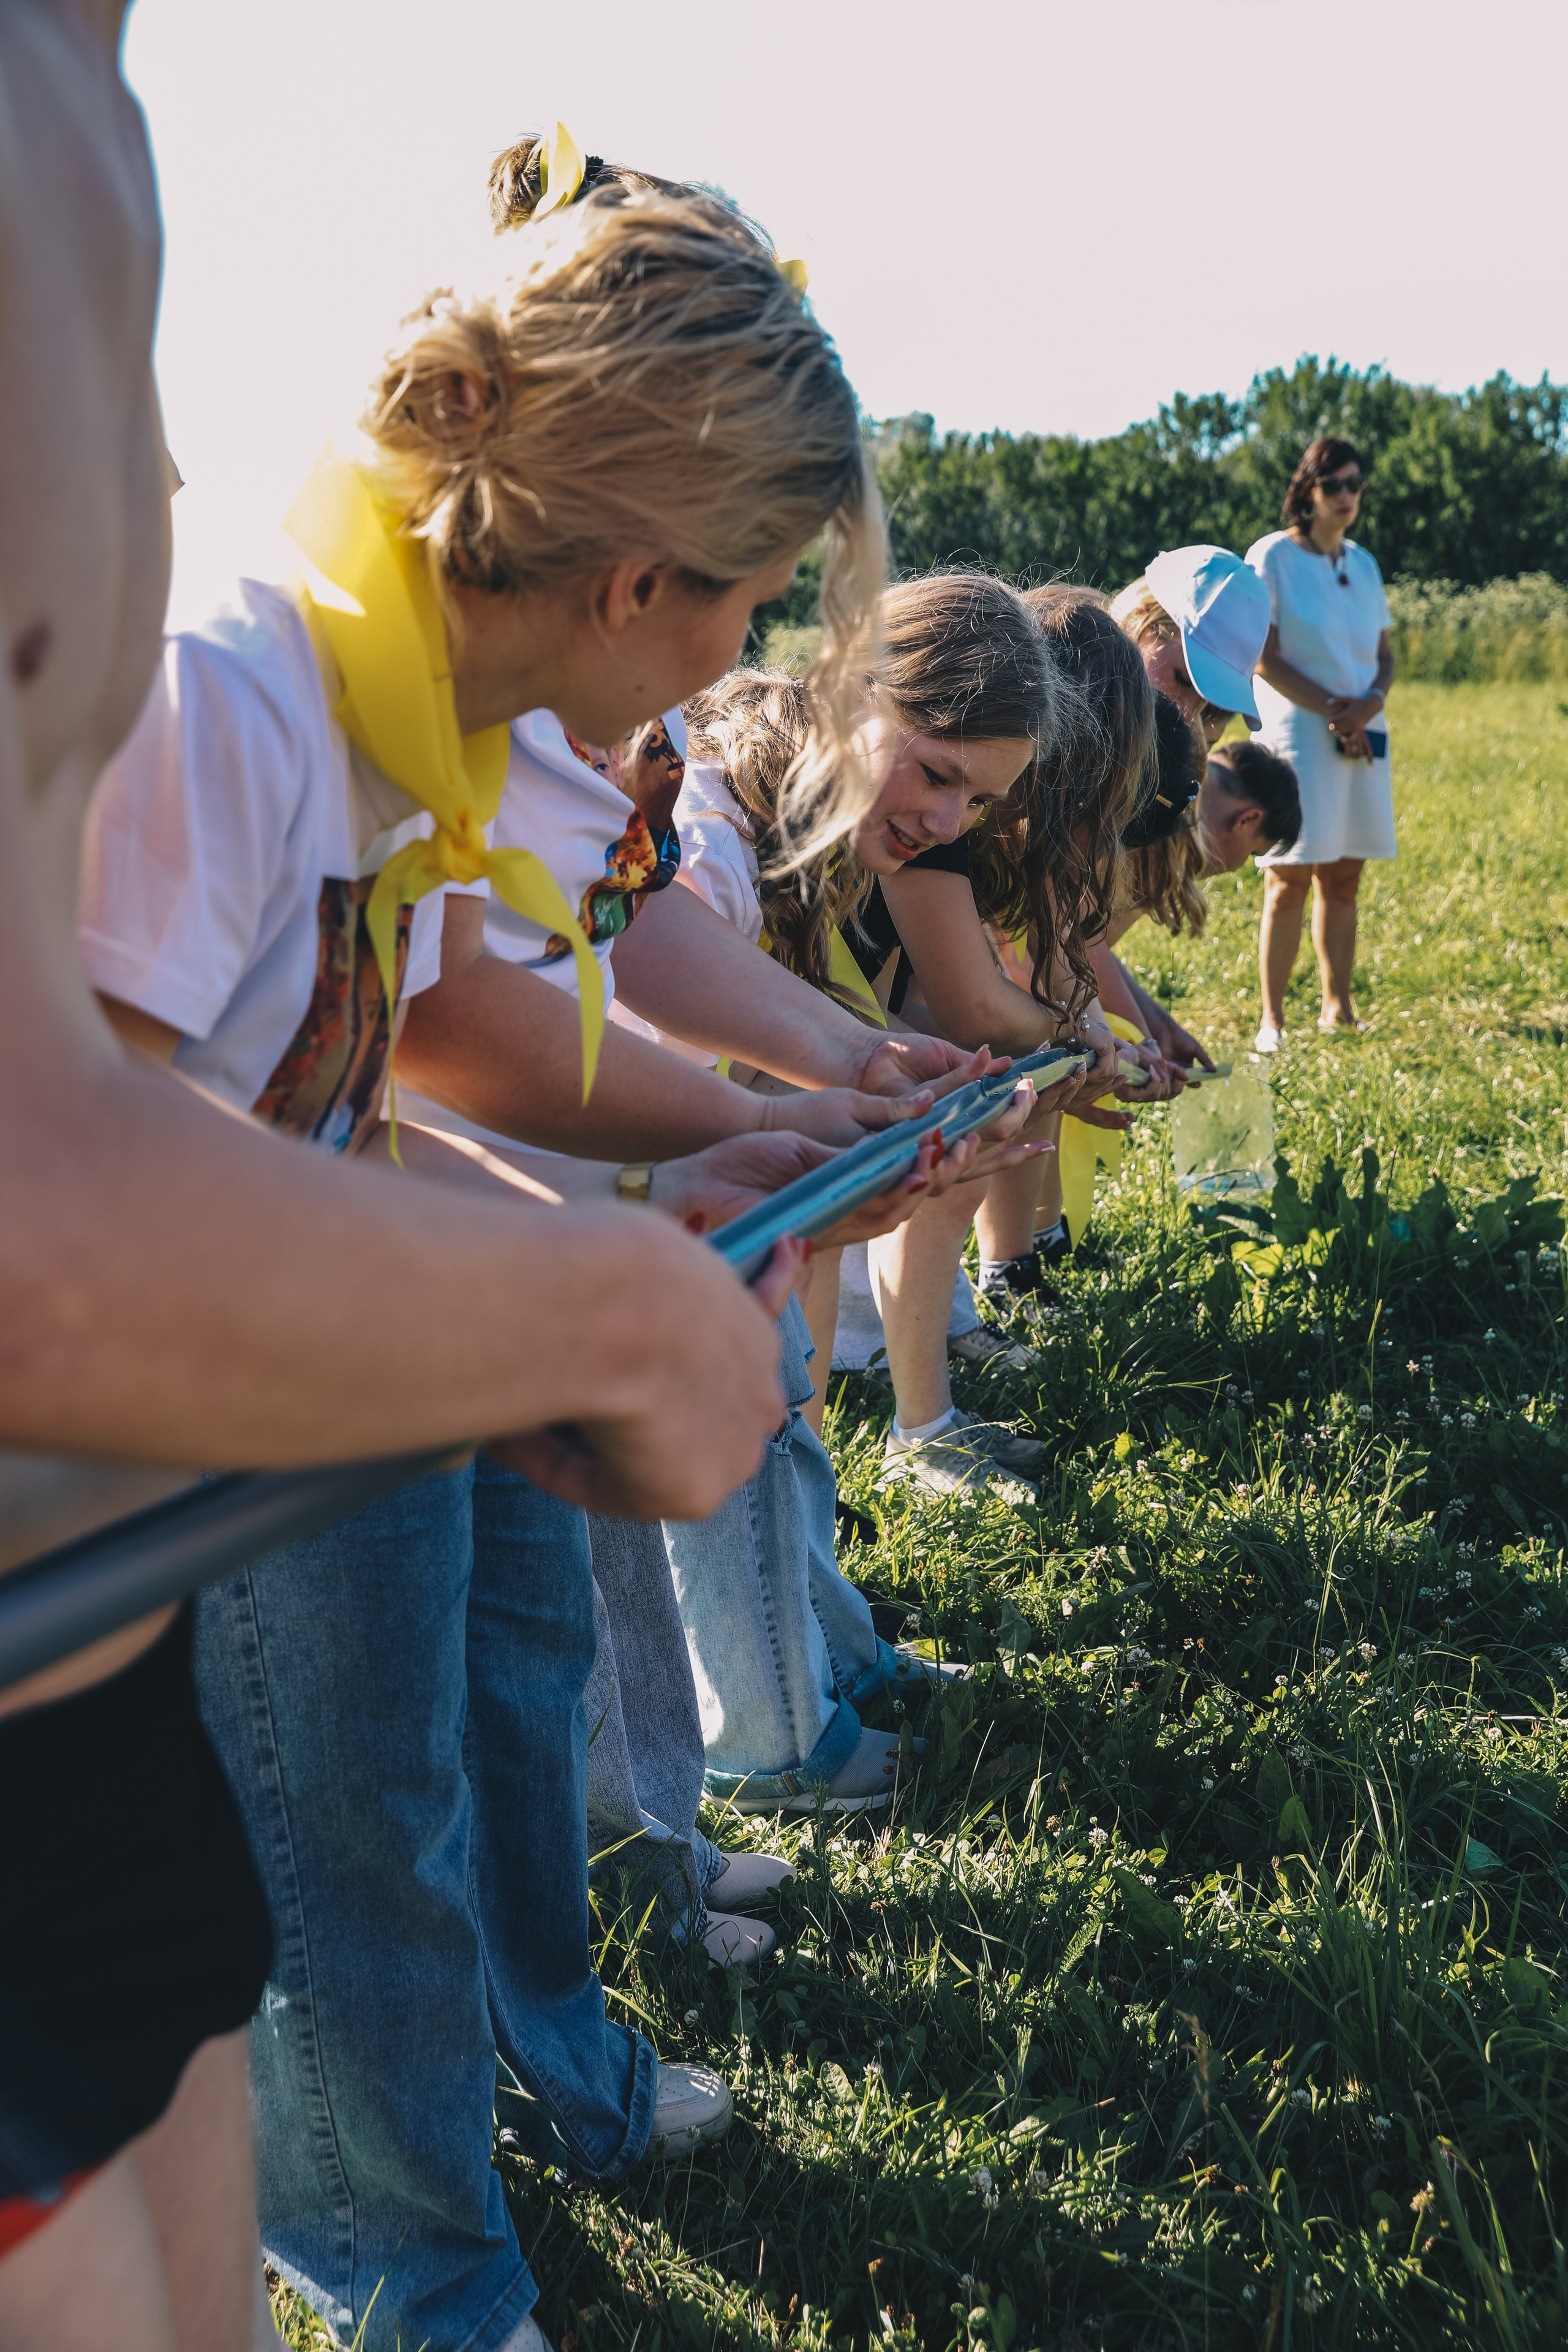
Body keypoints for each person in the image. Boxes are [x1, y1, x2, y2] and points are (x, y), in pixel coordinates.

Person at [0, 28, 794, 2352]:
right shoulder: (247, 698)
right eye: (745, 589)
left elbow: (322, 1125)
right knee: (362, 1842)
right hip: (76, 1626)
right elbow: (87, 1224)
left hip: (96, 1695)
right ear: (641, 576)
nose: (747, 650)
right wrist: (602, 1314)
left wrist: (578, 1244)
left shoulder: (388, 738)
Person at [1246, 439, 1396, 1050]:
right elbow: (1263, 656)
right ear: (1307, 489)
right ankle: (1272, 1020)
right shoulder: (1271, 557)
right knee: (1289, 874)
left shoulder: (1362, 562)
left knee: (1345, 875)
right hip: (1300, 731)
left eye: (1354, 485)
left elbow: (1383, 657)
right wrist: (1337, 713)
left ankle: (1338, 1008)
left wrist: (1370, 705)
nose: (1345, 496)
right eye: (1333, 484)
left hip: (1363, 732)